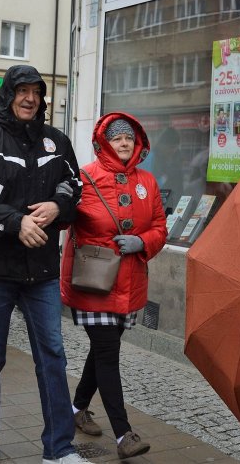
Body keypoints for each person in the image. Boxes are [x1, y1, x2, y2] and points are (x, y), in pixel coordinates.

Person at [0, 64, 90, 464]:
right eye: (22, 91)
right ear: (8, 95)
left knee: (52, 355)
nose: (30, 98)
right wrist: (15, 223)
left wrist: (57, 205)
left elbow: (74, 185)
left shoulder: (56, 141)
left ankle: (59, 449)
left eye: (36, 91)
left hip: (41, 270)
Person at [60, 113, 167, 459]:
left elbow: (160, 227)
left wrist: (143, 241)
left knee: (101, 351)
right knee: (107, 353)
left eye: (130, 139)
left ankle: (76, 409)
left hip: (130, 281)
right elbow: (64, 219)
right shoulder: (85, 177)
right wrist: (60, 198)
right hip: (93, 282)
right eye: (118, 138)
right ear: (104, 142)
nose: (124, 143)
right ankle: (123, 435)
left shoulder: (147, 182)